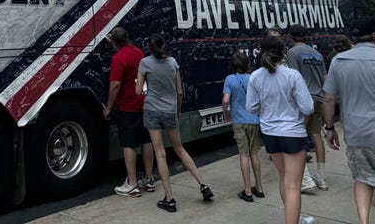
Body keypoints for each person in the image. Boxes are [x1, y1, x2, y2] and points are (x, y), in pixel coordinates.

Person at [322, 16, 375, 224]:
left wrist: (329, 128)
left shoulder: (339, 61)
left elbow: (329, 98)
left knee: (363, 179)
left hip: (357, 134)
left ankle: (363, 222)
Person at [135, 33, 213, 212]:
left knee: (160, 154)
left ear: (149, 47)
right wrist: (177, 112)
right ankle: (203, 185)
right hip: (171, 111)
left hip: (152, 110)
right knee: (180, 149)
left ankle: (169, 199)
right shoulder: (173, 63)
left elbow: (138, 90)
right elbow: (179, 92)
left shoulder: (145, 63)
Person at [246, 35, 314, 224]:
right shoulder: (292, 75)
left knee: (284, 178)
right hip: (292, 132)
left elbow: (251, 107)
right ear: (283, 52)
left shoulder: (255, 76)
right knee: (294, 185)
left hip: (269, 133)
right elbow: (308, 107)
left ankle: (295, 218)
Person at [103, 27, 155, 197]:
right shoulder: (138, 52)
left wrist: (109, 107)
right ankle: (148, 179)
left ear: (115, 42)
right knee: (146, 141)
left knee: (129, 144)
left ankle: (132, 184)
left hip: (127, 107)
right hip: (144, 103)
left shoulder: (118, 58)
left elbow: (115, 85)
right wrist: (116, 44)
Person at [285, 24, 328, 192]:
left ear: (290, 37)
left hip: (303, 100)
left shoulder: (292, 53)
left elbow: (294, 78)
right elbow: (325, 78)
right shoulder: (316, 54)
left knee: (298, 139)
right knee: (317, 136)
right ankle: (321, 177)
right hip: (318, 98)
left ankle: (305, 179)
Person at [222, 51, 264, 202]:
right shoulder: (253, 78)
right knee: (254, 154)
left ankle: (247, 191)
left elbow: (226, 100)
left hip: (239, 122)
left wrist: (225, 112)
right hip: (254, 120)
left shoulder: (230, 79)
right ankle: (259, 188)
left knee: (244, 155)